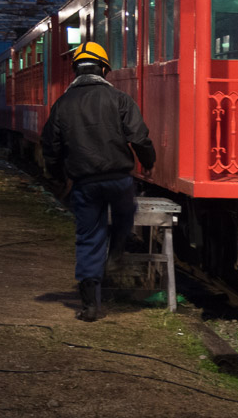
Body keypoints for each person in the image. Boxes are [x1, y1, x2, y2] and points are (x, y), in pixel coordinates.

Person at [41, 41, 156, 321]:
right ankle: (116, 253)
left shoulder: (62, 105)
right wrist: (149, 162)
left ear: (76, 71)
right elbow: (139, 137)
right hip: (119, 180)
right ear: (104, 69)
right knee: (124, 217)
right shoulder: (119, 99)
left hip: (85, 183)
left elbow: (50, 147)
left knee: (88, 237)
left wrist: (58, 179)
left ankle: (91, 305)